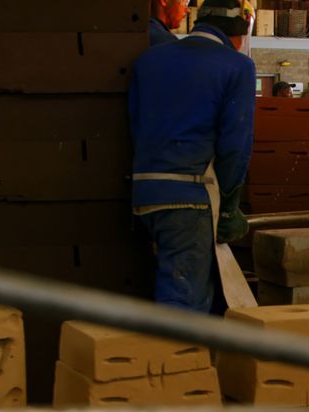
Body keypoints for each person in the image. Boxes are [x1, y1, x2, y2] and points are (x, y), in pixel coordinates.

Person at [129, 0, 255, 312]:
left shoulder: (149, 60)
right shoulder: (237, 66)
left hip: (144, 194)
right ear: (238, 34)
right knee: (183, 305)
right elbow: (235, 145)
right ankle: (175, 361)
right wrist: (229, 207)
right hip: (190, 198)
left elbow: (135, 126)